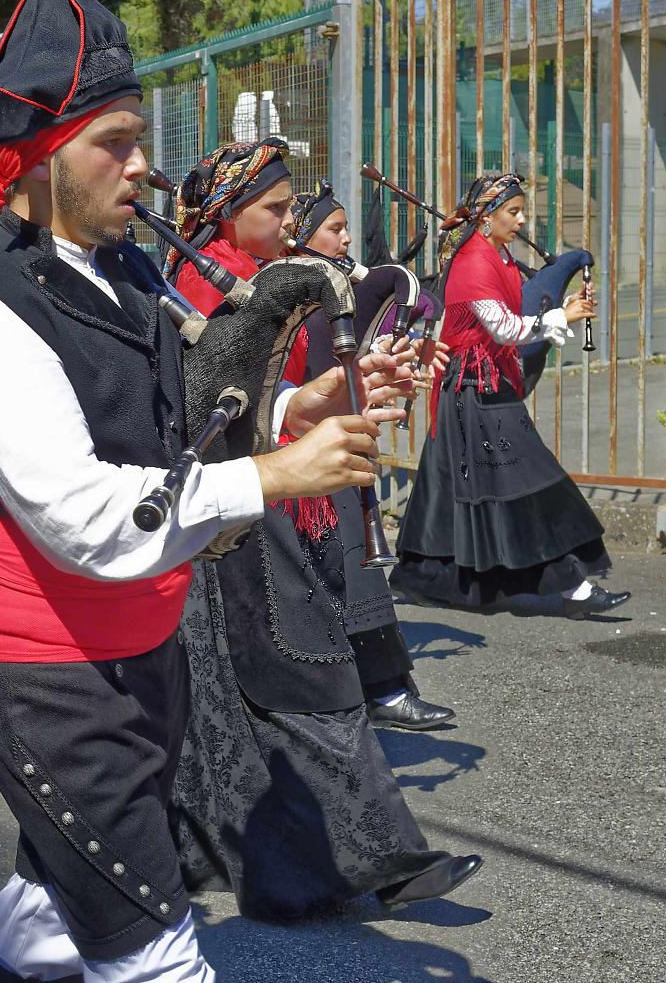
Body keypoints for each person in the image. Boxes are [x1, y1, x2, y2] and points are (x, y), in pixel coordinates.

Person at [0, 0, 393, 983]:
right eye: (111, 144)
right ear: (38, 162)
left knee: (46, 912)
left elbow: (175, 435)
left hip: (142, 645)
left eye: (138, 139)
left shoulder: (123, 276)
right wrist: (277, 473)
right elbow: (87, 515)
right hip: (48, 677)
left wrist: (300, 410)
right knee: (159, 958)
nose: (140, 167)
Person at [162, 144, 480, 923]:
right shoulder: (204, 278)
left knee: (239, 701)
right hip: (226, 513)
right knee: (306, 678)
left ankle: (272, 861)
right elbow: (202, 415)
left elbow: (270, 404)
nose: (290, 222)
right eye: (275, 208)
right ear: (229, 211)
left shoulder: (247, 272)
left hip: (248, 503)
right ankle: (373, 860)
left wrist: (347, 386)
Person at [390, 173, 630, 617]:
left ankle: (417, 578)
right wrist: (565, 315)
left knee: (447, 488)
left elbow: (510, 317)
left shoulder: (495, 253)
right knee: (529, 479)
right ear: (486, 216)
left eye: (522, 212)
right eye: (513, 212)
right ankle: (574, 587)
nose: (521, 222)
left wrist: (565, 304)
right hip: (473, 390)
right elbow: (505, 328)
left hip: (478, 387)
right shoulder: (474, 263)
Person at [285, 184, 456, 731]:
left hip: (324, 441)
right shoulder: (286, 288)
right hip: (293, 455)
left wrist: (391, 357)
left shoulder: (324, 287)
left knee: (356, 573)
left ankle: (380, 689)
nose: (346, 238)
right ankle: (360, 694)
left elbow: (347, 355)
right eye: (334, 228)